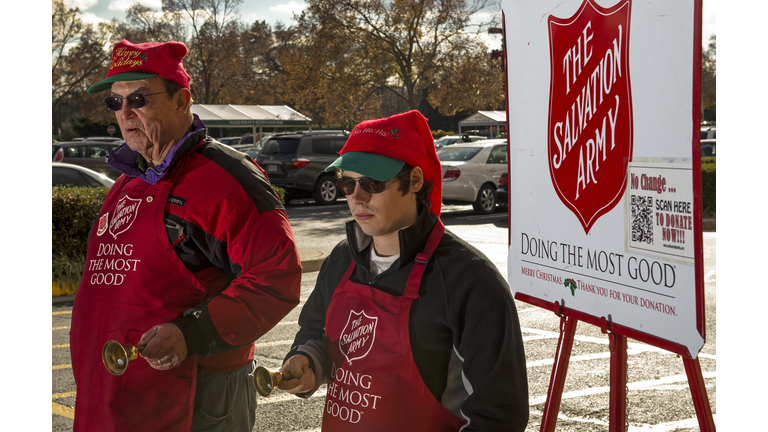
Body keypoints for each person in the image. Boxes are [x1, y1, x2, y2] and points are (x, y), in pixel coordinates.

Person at [69, 40, 302, 432]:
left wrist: (191, 332)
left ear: (181, 101)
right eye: (115, 102)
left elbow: (275, 277)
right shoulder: (126, 183)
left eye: (139, 98)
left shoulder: (228, 179)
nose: (124, 113)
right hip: (116, 397)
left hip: (197, 399)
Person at [277, 110, 529, 431]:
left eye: (372, 182)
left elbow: (500, 415)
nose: (357, 197)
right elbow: (315, 330)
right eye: (347, 183)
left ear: (413, 180)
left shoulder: (470, 281)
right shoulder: (343, 258)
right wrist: (309, 360)